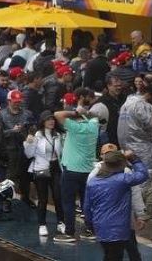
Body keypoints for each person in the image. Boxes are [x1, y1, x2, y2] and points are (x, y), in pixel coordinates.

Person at [84, 148, 150, 260]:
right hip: (119, 229)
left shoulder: (92, 182)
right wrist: (133, 158)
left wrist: (91, 224)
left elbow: (87, 207)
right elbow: (143, 174)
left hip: (100, 227)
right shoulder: (123, 180)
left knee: (109, 255)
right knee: (115, 256)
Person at [56, 103, 100, 242]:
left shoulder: (74, 127)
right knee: (86, 202)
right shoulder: (94, 127)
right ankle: (90, 230)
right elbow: (94, 117)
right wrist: (84, 113)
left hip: (71, 171)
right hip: (88, 171)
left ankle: (69, 233)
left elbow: (58, 114)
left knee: (68, 202)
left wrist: (75, 112)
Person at [23, 110, 64, 237]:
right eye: (48, 119)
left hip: (56, 168)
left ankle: (61, 222)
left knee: (58, 196)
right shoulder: (37, 135)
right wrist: (28, 143)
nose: (51, 121)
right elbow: (29, 154)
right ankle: (42, 224)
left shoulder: (58, 135)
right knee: (43, 198)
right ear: (43, 121)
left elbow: (62, 152)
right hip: (41, 169)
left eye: (52, 119)